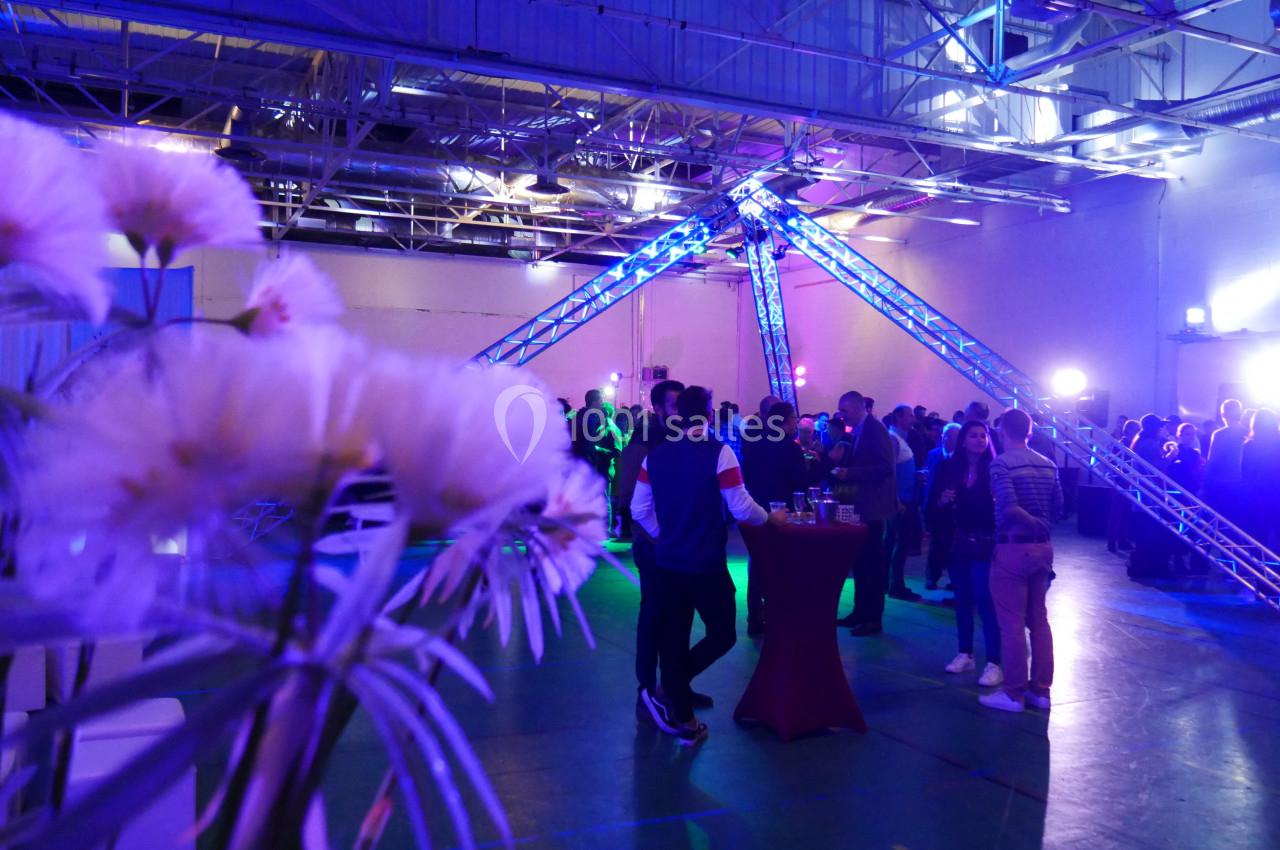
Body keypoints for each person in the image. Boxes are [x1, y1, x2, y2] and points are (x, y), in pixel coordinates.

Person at [631, 386, 785, 744]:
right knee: (723, 633)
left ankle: (680, 712)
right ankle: (674, 693)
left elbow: (639, 509)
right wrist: (770, 519)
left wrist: (665, 534)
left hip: (668, 562)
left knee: (674, 637)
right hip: (706, 563)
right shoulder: (720, 453)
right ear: (709, 414)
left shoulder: (655, 457)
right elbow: (742, 507)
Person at [980, 407, 1062, 713]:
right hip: (1043, 549)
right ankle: (1041, 692)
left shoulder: (1001, 465)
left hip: (1013, 548)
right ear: (1029, 431)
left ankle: (1013, 693)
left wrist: (1030, 523)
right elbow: (1059, 507)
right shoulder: (1048, 465)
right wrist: (1042, 527)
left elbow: (1009, 506)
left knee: (1011, 623)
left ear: (1002, 432)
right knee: (1038, 619)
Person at [615, 379, 684, 708]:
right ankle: (647, 688)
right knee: (655, 616)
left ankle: (675, 686)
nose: (681, 411)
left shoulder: (682, 441)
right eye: (674, 405)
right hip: (655, 546)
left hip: (678, 545)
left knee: (678, 619)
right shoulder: (644, 444)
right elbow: (627, 497)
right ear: (657, 409)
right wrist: (658, 534)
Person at [935, 421, 1002, 687]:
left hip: (986, 541)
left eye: (983, 436)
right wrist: (941, 500)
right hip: (958, 540)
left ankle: (994, 662)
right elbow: (933, 504)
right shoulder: (949, 467)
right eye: (973, 436)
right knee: (962, 599)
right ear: (963, 440)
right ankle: (966, 653)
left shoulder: (995, 468)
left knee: (986, 601)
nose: (978, 440)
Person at [830, 390, 898, 636]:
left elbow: (884, 467)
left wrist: (850, 474)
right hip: (863, 508)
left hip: (872, 509)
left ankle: (872, 618)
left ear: (859, 408)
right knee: (861, 563)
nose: (841, 415)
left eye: (844, 410)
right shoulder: (860, 430)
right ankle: (860, 612)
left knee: (872, 566)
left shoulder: (875, 430)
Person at [741, 401, 809, 636]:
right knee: (780, 565)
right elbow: (800, 481)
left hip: (758, 511)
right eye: (794, 418)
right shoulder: (789, 447)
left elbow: (746, 475)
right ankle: (774, 614)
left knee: (757, 564)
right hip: (783, 514)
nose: (795, 423)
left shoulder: (754, 444)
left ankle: (754, 616)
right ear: (785, 420)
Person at [886, 405, 923, 601]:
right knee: (900, 543)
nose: (913, 418)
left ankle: (891, 582)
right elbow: (890, 471)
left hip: (904, 499)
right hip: (900, 502)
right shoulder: (893, 439)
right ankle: (895, 584)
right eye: (909, 415)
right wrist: (896, 499)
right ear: (899, 418)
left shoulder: (900, 439)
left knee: (894, 542)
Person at [924, 422, 961, 590]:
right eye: (945, 435)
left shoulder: (962, 458)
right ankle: (932, 577)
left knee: (954, 546)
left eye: (951, 436)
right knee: (935, 544)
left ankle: (955, 579)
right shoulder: (933, 454)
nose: (945, 439)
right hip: (935, 507)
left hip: (954, 510)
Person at [1203, 399, 1247, 523]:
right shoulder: (1248, 433)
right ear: (1240, 413)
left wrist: (1204, 485)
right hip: (1241, 483)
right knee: (1236, 522)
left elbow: (1213, 461)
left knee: (1219, 522)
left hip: (1221, 484)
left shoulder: (1219, 434)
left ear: (1223, 414)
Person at [1242, 408, 1280, 550]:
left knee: (1256, 537)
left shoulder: (1249, 445)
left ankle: (1256, 569)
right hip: (1277, 494)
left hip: (1256, 494)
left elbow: (1244, 472)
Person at [1106, 419, 1141, 554]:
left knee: (1124, 512)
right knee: (1118, 513)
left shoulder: (1125, 443)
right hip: (1121, 482)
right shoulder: (1123, 444)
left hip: (1124, 481)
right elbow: (1113, 462)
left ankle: (1120, 540)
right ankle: (1114, 541)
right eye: (1136, 430)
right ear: (1129, 430)